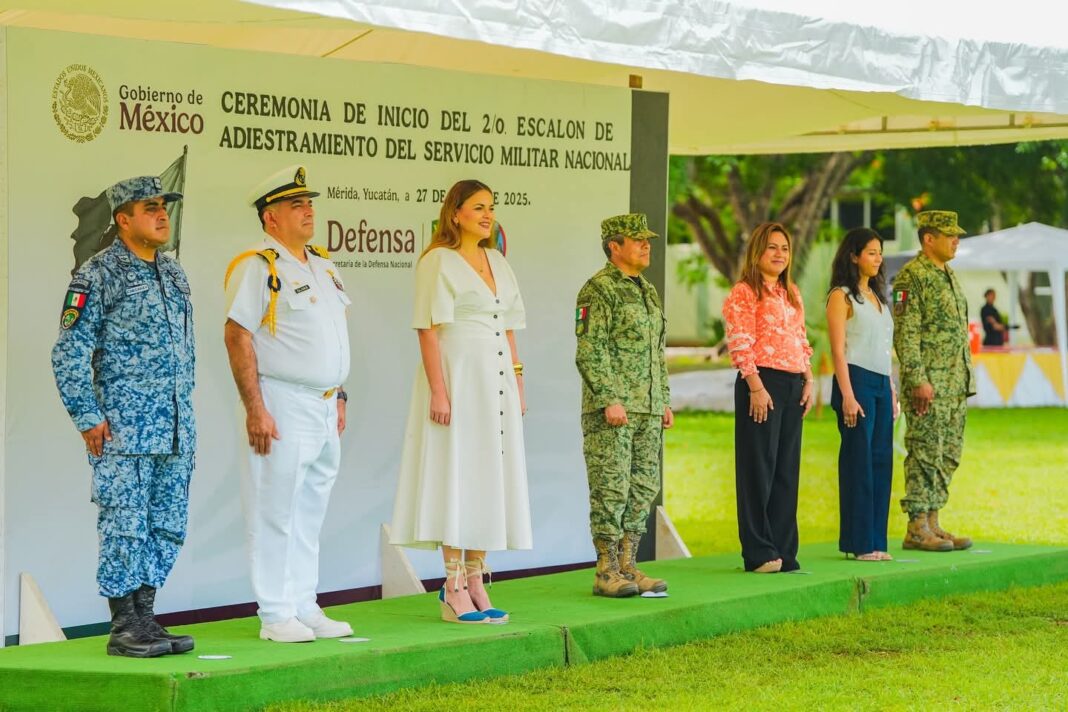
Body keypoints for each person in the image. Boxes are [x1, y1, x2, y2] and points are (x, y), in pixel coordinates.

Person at [52, 175, 195, 658]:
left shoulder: (174, 274)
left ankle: (147, 621)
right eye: (149, 207)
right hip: (122, 429)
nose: (161, 215)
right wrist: (88, 417)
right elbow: (69, 351)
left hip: (173, 430)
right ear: (123, 219)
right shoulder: (98, 274)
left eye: (164, 206)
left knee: (165, 524)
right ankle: (123, 626)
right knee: (124, 526)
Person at [390, 179, 531, 624]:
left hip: (497, 378)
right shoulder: (438, 262)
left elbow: (508, 325)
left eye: (491, 207)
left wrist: (518, 378)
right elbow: (427, 328)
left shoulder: (498, 262)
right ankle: (451, 584)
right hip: (458, 375)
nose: (487, 215)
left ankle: (476, 578)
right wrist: (438, 389)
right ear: (455, 214)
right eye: (477, 208)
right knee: (457, 470)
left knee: (491, 472)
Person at [224, 165, 354, 642]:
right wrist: (256, 408)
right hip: (282, 400)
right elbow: (237, 334)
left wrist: (338, 393)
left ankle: (304, 603)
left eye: (309, 202)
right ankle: (275, 613)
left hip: (322, 404)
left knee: (309, 510)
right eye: (296, 204)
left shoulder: (322, 263)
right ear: (271, 217)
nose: (308, 210)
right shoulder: (259, 267)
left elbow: (332, 337)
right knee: (274, 508)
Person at [575, 213, 673, 598]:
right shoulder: (598, 290)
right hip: (614, 410)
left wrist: (663, 399)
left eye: (647, 239)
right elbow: (589, 350)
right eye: (637, 240)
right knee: (610, 487)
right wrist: (608, 398)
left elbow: (656, 352)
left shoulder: (647, 290)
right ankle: (605, 569)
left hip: (647, 408)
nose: (646, 245)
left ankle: (628, 565)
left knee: (643, 486)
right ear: (614, 246)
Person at [722, 222, 814, 573]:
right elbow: (740, 340)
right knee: (757, 467)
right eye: (772, 247)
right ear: (758, 250)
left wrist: (808, 379)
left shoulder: (791, 293)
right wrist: (755, 387)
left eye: (785, 248)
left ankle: (784, 551)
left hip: (792, 384)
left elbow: (801, 337)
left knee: (785, 470)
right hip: (760, 383)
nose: (780, 254)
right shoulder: (744, 292)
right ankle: (759, 552)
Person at [892, 210, 974, 552]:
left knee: (948, 453)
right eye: (949, 235)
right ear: (929, 239)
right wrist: (917, 379)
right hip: (929, 384)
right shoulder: (912, 278)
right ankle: (916, 526)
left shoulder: (949, 275)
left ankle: (934, 523)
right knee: (925, 451)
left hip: (954, 382)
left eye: (957, 235)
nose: (956, 240)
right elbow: (906, 334)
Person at [826, 228, 899, 562]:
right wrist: (848, 396)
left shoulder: (879, 299)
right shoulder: (841, 296)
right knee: (859, 463)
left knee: (882, 461)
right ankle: (859, 544)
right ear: (853, 255)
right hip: (854, 381)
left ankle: (876, 542)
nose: (877, 258)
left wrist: (893, 390)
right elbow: (838, 350)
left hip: (882, 384)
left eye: (880, 252)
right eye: (871, 252)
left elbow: (885, 350)